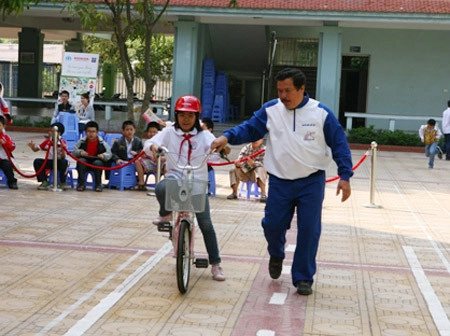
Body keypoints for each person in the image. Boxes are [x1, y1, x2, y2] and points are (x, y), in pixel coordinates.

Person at [210, 68, 353, 295]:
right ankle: (276, 254)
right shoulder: (271, 110)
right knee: (272, 225)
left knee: (309, 229)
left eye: (288, 91)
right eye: (279, 91)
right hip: (280, 181)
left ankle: (303, 277)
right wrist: (226, 136)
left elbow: (339, 144)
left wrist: (345, 176)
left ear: (301, 89)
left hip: (311, 181)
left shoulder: (321, 113)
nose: (283, 95)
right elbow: (249, 128)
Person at [144, 95, 226, 282]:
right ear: (177, 115)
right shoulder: (169, 132)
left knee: (205, 223)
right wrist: (155, 147)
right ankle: (165, 213)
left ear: (196, 116)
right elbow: (149, 144)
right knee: (161, 187)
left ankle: (215, 264)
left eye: (190, 115)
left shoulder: (205, 135)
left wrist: (220, 150)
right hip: (176, 177)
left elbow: (216, 153)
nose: (186, 119)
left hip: (197, 181)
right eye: (182, 115)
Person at [27, 122, 69, 190]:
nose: (49, 133)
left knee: (64, 162)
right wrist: (32, 147)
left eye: (52, 131)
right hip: (49, 161)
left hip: (59, 162)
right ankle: (44, 181)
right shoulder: (47, 141)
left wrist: (63, 149)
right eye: (49, 131)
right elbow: (36, 149)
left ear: (59, 133)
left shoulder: (62, 142)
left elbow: (63, 157)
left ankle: (63, 182)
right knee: (37, 161)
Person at [73, 121, 112, 192]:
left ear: (97, 132)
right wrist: (80, 152)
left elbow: (109, 153)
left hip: (96, 161)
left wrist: (103, 155)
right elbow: (74, 151)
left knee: (98, 163)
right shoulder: (82, 141)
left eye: (93, 131)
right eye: (89, 131)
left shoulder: (102, 142)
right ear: (85, 132)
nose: (91, 134)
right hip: (85, 161)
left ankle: (98, 185)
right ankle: (81, 184)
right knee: (81, 161)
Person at [110, 120, 145, 190]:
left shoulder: (138, 141)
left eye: (131, 129)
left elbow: (142, 150)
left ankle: (139, 181)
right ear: (123, 131)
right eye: (127, 130)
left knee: (140, 163)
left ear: (134, 130)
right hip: (123, 160)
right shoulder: (118, 142)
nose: (129, 132)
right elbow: (113, 152)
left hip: (134, 160)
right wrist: (117, 159)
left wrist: (137, 153)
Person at [0, 115, 18, 189]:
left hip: (2, 159)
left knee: (7, 165)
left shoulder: (6, 137)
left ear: (3, 126)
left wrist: (5, 143)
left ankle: (12, 182)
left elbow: (12, 146)